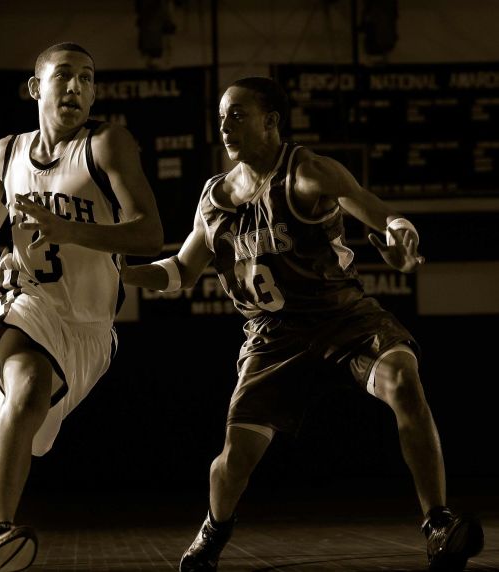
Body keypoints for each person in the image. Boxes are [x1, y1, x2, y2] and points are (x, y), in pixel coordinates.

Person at [121, 76, 484, 572]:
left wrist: (402, 238)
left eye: (238, 115)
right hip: (272, 337)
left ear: (271, 122)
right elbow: (182, 271)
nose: (224, 126)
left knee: (403, 379)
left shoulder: (308, 172)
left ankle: (437, 522)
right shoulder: (215, 198)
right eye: (222, 116)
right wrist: (124, 273)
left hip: (341, 315)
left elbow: (381, 216)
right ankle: (214, 529)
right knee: (233, 462)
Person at [0, 42, 163, 571]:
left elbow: (150, 234)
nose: (77, 87)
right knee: (29, 385)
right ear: (34, 87)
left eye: (87, 79)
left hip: (89, 327)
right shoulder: (8, 151)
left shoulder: (107, 144)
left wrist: (71, 231)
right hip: (21, 299)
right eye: (64, 75)